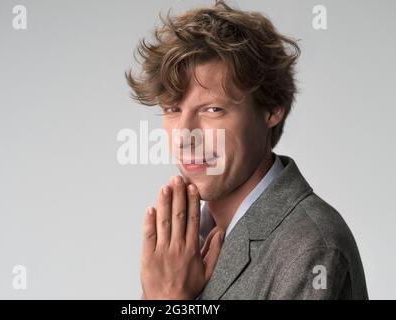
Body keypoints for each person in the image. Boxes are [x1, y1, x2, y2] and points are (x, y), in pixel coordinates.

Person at [125, 0, 368, 299]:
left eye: (213, 109)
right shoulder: (180, 248)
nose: (184, 136)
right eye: (173, 108)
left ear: (272, 108)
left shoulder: (311, 250)